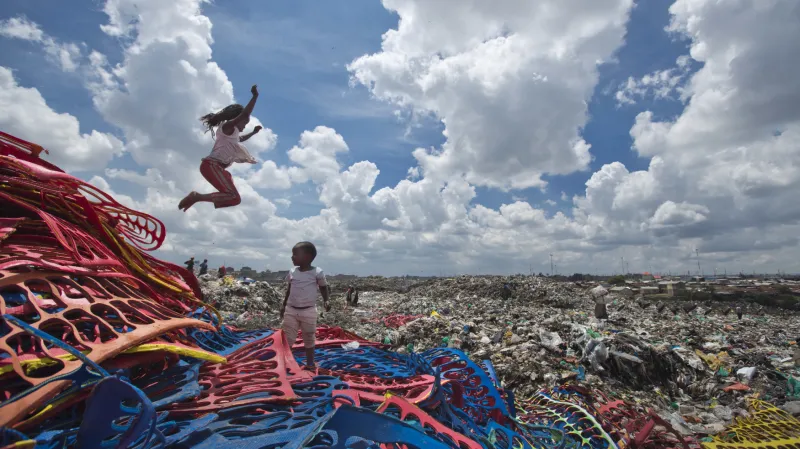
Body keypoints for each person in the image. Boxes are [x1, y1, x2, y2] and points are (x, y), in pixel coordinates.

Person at [178, 84, 263, 212]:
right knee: (234, 196)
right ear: (237, 118)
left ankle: (196, 198)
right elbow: (245, 114)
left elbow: (240, 139)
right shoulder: (227, 127)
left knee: (234, 198)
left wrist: (253, 133)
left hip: (215, 167)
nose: (245, 125)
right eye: (244, 123)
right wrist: (255, 96)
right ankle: (196, 197)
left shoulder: (232, 135)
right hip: (211, 165)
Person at [280, 241, 330, 368]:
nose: (292, 257)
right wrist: (284, 305)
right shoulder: (292, 271)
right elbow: (289, 289)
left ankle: (310, 363)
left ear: (307, 257)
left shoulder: (317, 272)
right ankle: (285, 364)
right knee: (288, 338)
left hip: (308, 311)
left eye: (295, 254)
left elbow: (323, 287)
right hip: (291, 309)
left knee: (309, 336)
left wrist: (326, 300)